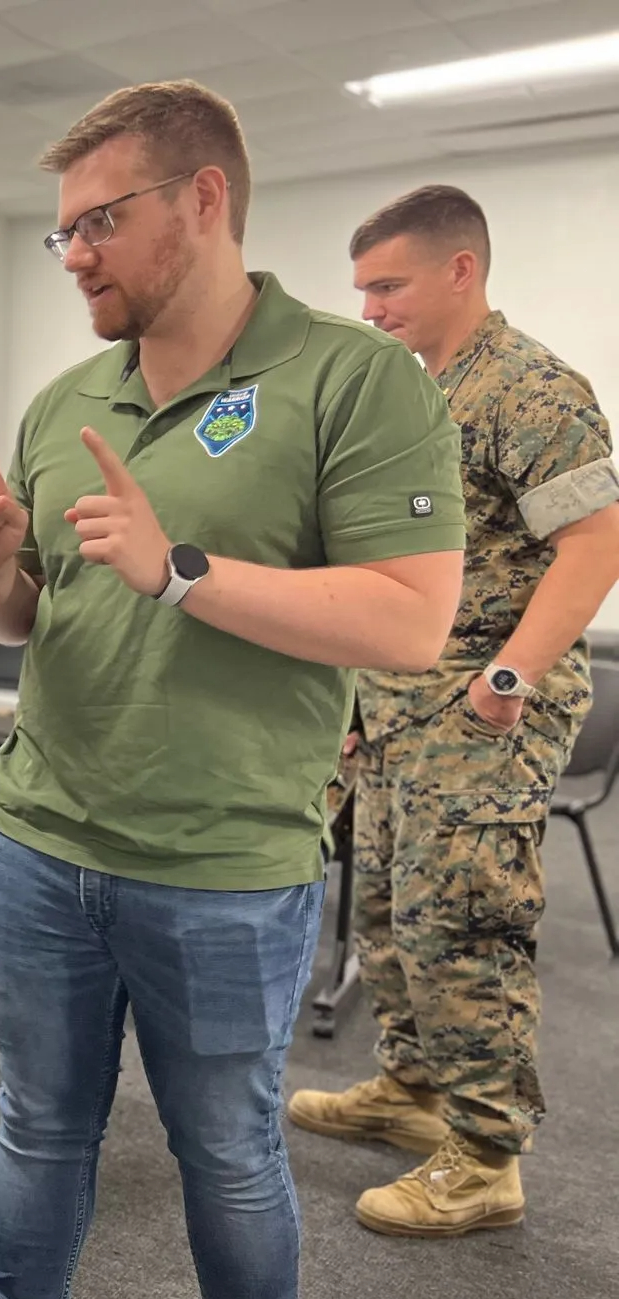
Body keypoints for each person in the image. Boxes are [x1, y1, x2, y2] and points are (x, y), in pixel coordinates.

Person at [0, 83, 465, 1299]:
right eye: (60, 235)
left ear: (206, 198)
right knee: (38, 1138)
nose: (74, 258)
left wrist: (184, 571)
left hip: (227, 864)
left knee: (230, 1160)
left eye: (99, 224)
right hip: (43, 842)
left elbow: (411, 619)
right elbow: (35, 620)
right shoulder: (71, 401)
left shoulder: (355, 377)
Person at [287, 185, 619, 1237]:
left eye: (389, 284)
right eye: (362, 289)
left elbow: (601, 542)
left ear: (460, 270)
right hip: (401, 703)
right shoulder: (421, 389)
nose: (371, 307)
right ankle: (414, 1091)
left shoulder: (529, 388)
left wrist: (508, 678)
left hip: (486, 707)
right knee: (387, 912)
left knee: (463, 925)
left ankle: (485, 1154)